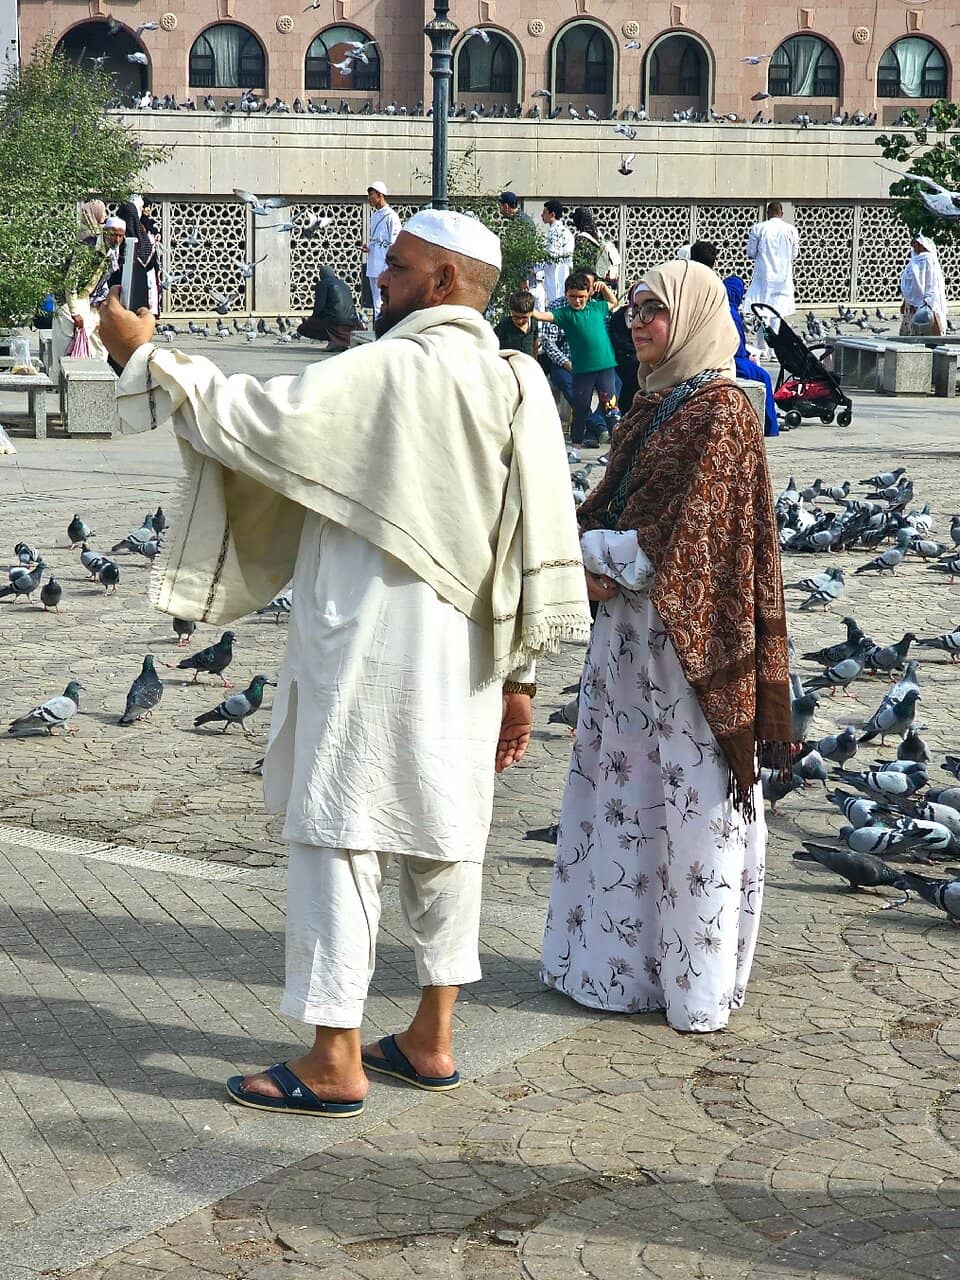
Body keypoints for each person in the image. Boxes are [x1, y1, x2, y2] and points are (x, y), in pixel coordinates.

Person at [99, 209, 591, 1117]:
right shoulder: (517, 380)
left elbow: (259, 417)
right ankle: (431, 1039)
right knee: (448, 836)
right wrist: (522, 683)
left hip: (371, 643)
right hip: (472, 653)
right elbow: (532, 540)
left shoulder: (399, 364)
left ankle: (334, 1061)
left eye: (397, 269)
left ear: (443, 281)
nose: (381, 281)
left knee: (339, 831)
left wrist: (149, 354)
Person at [540, 259, 791, 1033]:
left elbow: (676, 551)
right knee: (626, 806)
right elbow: (605, 516)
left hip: (689, 656)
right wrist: (583, 551)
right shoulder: (652, 408)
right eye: (637, 308)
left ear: (692, 319)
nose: (640, 322)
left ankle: (692, 982)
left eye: (657, 311)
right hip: (629, 653)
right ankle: (619, 971)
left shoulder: (721, 412)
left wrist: (575, 555)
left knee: (688, 810)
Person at [532, 271, 621, 447]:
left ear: (588, 293)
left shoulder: (597, 307)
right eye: (572, 296)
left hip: (605, 367)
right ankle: (576, 447)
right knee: (580, 408)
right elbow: (542, 316)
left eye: (581, 296)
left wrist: (603, 288)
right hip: (580, 369)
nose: (577, 301)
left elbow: (613, 302)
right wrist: (528, 308)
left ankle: (616, 448)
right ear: (566, 294)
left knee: (610, 408)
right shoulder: (564, 313)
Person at [50, 200, 111, 381]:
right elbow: (72, 280)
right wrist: (75, 312)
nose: (105, 216)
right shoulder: (87, 243)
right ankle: (61, 388)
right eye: (102, 212)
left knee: (84, 346)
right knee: (66, 348)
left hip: (83, 300)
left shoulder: (96, 239)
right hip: (70, 303)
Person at [723, 276, 779, 437]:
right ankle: (770, 427)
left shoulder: (720, 307)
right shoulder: (732, 313)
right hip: (733, 360)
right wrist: (747, 356)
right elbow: (736, 346)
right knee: (763, 377)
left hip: (728, 356)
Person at [744, 201, 800, 351]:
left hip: (764, 278)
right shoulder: (791, 230)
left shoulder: (758, 228)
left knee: (762, 314)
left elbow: (750, 253)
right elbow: (794, 254)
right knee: (777, 315)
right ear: (781, 213)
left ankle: (762, 349)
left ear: (767, 213)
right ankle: (776, 351)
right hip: (783, 278)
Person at [298, 264, 363, 350]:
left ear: (321, 275)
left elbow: (319, 307)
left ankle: (334, 342)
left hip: (334, 320)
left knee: (304, 328)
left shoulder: (322, 284)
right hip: (352, 320)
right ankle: (338, 342)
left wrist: (312, 320)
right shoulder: (344, 284)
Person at [362, 181, 401, 322]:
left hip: (384, 266)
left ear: (379, 195)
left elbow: (395, 242)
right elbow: (377, 241)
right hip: (373, 264)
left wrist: (390, 265)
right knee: (376, 302)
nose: (369, 198)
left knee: (384, 301)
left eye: (371, 195)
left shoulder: (391, 216)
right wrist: (369, 248)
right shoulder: (374, 216)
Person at [900, 235, 947, 336]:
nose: (915, 246)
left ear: (923, 245)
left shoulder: (929, 260)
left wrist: (929, 301)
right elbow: (911, 283)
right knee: (909, 338)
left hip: (925, 304)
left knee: (928, 333)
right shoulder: (914, 260)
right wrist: (905, 300)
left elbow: (932, 283)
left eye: (917, 244)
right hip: (911, 306)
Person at [540, 199, 574, 304]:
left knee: (554, 302)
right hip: (564, 272)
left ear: (552, 214)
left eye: (545, 212)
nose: (542, 215)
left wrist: (536, 269)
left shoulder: (554, 232)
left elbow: (552, 256)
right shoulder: (567, 231)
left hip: (554, 273)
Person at [494, 289, 538, 356]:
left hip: (528, 363)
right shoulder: (504, 325)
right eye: (516, 317)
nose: (520, 321)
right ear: (511, 311)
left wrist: (535, 361)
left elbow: (535, 344)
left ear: (531, 313)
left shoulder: (534, 323)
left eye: (524, 318)